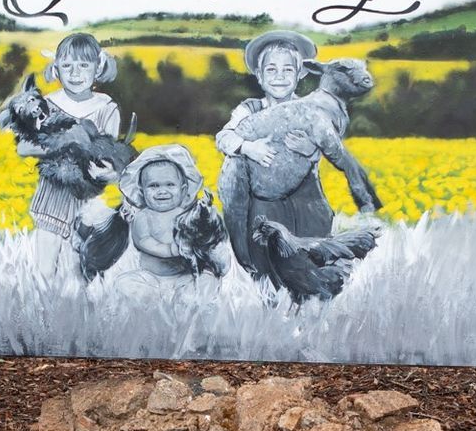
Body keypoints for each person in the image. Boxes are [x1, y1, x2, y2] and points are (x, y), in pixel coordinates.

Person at [216, 29, 327, 285]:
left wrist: (309, 150)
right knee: (265, 257)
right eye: (271, 70)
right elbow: (224, 138)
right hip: (262, 201)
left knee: (305, 259)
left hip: (303, 198)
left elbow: (324, 146)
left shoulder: (308, 110)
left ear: (300, 75)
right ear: (259, 76)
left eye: (288, 70)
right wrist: (247, 147)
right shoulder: (250, 108)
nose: (280, 77)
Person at [14, 32, 121, 277]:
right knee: (45, 270)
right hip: (52, 194)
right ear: (56, 69)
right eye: (67, 65)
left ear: (98, 69)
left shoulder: (106, 108)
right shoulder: (47, 104)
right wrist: (67, 142)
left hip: (87, 199)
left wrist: (111, 173)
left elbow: (113, 157)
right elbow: (23, 147)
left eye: (84, 65)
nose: (75, 73)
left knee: (78, 270)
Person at [111, 145, 228, 301]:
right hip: (153, 278)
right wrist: (171, 249)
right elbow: (144, 241)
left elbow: (200, 231)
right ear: (142, 191)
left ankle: (183, 298)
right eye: (153, 186)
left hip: (184, 276)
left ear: (184, 189)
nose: (162, 191)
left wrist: (205, 215)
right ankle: (157, 298)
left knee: (208, 280)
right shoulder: (143, 216)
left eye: (170, 185)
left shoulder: (187, 213)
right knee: (124, 283)